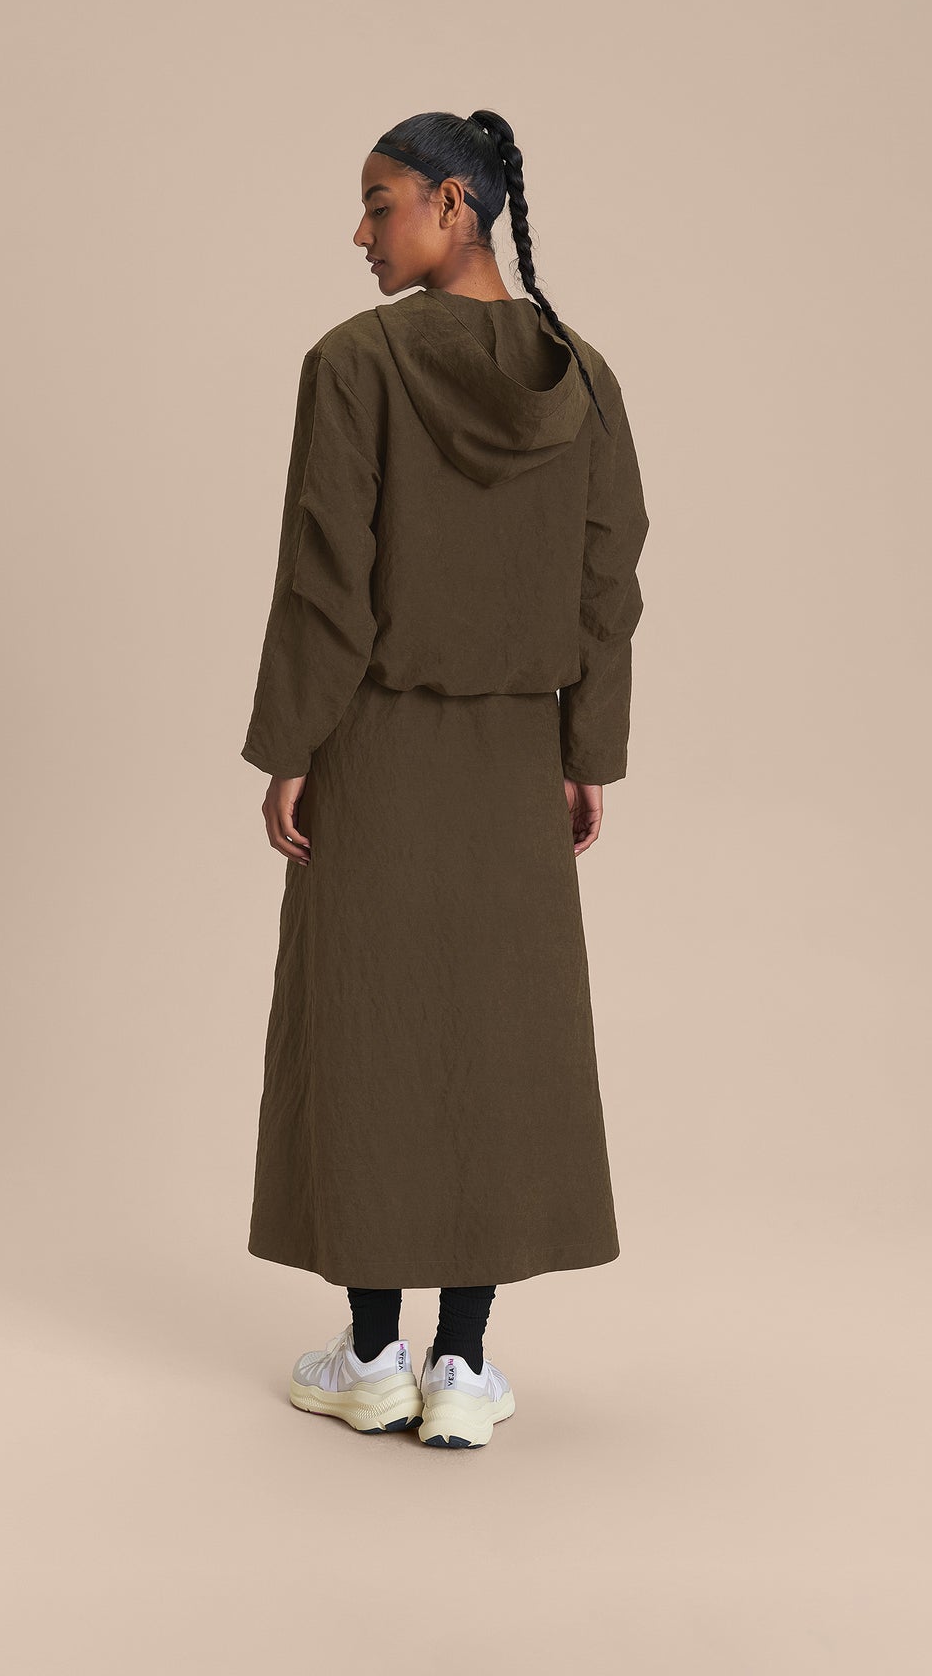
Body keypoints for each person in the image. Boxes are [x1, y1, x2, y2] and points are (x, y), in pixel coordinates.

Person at [239, 109, 650, 1449]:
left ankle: (373, 1356)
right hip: (515, 755)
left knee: (371, 1030)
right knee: (492, 1039)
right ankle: (462, 1368)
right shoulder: (583, 378)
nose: (360, 233)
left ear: (454, 205)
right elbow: (606, 578)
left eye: (381, 203)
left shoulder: (353, 365)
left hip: (374, 744)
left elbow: (326, 577)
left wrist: (294, 746)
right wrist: (586, 752)